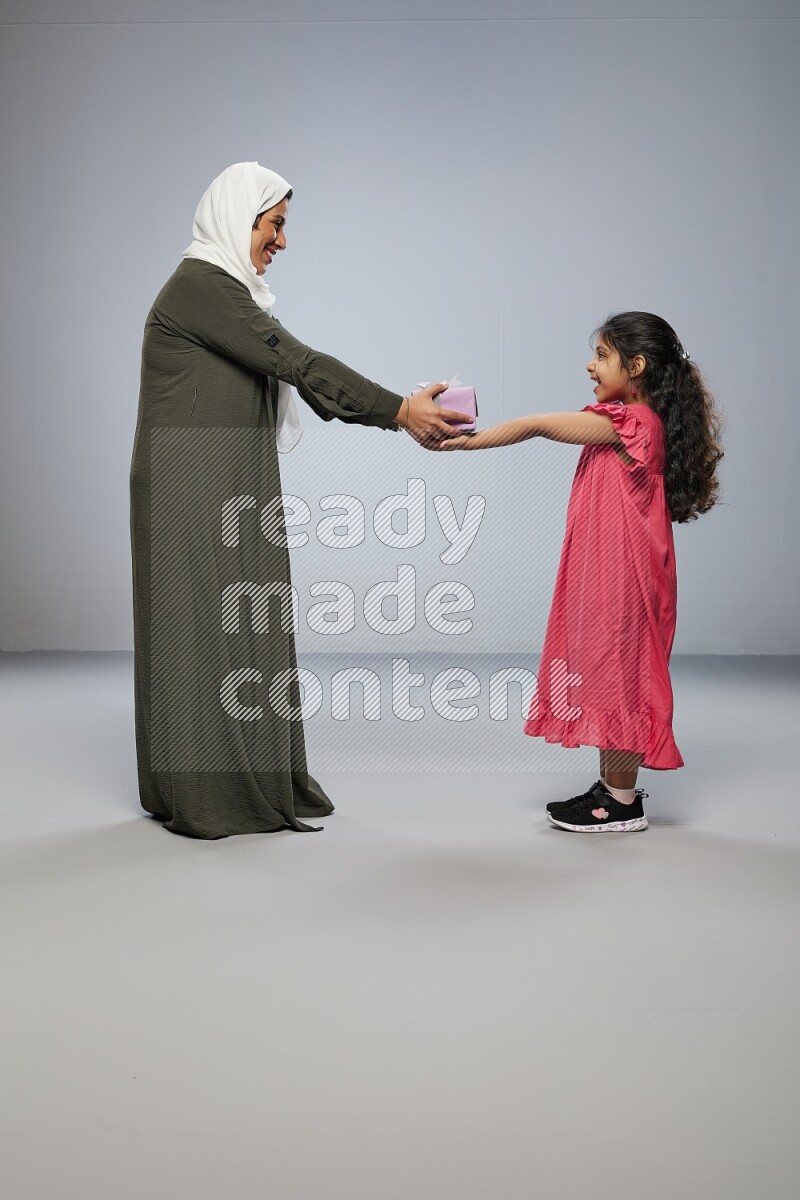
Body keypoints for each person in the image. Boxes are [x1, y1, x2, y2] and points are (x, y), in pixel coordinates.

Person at [129, 161, 464, 839]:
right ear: (238, 218)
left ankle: (247, 774)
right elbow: (298, 363)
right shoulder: (200, 287)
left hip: (227, 478)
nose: (282, 241)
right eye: (275, 224)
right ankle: (203, 794)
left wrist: (398, 410)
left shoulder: (227, 293)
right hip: (187, 487)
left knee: (243, 620)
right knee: (198, 629)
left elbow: (291, 369)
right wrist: (399, 411)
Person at [438, 311, 723, 833]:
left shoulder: (634, 424)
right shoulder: (624, 419)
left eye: (601, 355)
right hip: (609, 570)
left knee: (619, 675)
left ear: (635, 365)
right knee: (606, 670)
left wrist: (464, 442)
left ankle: (622, 802)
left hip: (626, 577)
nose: (589, 366)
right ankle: (613, 787)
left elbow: (538, 425)